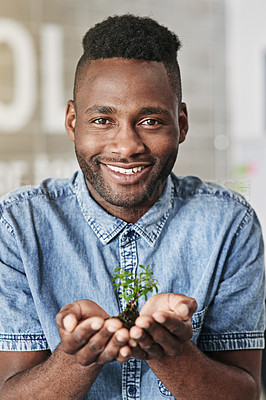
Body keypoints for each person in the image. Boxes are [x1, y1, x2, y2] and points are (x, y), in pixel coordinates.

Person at [0, 14, 264, 400]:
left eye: (151, 121)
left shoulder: (230, 225)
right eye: (103, 119)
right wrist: (79, 357)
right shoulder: (19, 227)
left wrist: (171, 352)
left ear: (182, 122)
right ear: (73, 121)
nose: (126, 147)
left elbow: (245, 392)